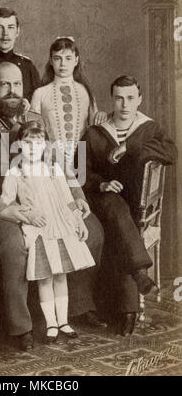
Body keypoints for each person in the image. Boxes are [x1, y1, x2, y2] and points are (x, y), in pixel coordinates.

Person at [0, 61, 105, 351]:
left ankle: (68, 311)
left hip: (45, 200)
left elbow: (60, 165)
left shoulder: (35, 118)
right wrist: (3, 208)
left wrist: (77, 197)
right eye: (3, 84)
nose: (11, 91)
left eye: (16, 84)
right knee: (15, 245)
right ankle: (21, 327)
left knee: (92, 229)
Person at [82, 75, 177, 336]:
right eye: (119, 98)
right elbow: (78, 173)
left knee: (123, 220)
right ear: (111, 99)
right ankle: (133, 294)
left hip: (136, 204)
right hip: (102, 200)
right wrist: (101, 184)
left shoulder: (150, 129)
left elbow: (171, 153)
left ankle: (127, 307)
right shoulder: (93, 133)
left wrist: (131, 147)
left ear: (140, 99)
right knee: (116, 209)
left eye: (131, 98)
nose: (124, 104)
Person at [1, 120, 95, 343]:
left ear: (45, 145)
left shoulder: (54, 169)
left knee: (60, 276)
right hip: (38, 229)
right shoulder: (15, 172)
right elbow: (5, 202)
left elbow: (67, 198)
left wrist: (79, 221)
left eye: (38, 142)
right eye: (27, 142)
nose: (33, 147)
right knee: (45, 278)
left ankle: (63, 322)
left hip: (61, 226)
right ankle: (51, 324)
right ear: (19, 146)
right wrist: (23, 211)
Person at [30, 36, 107, 153]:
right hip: (50, 159)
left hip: (82, 159)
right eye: (57, 58)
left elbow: (94, 130)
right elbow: (32, 132)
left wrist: (101, 116)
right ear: (51, 60)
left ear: (76, 60)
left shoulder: (85, 91)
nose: (62, 64)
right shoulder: (40, 93)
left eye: (68, 58)